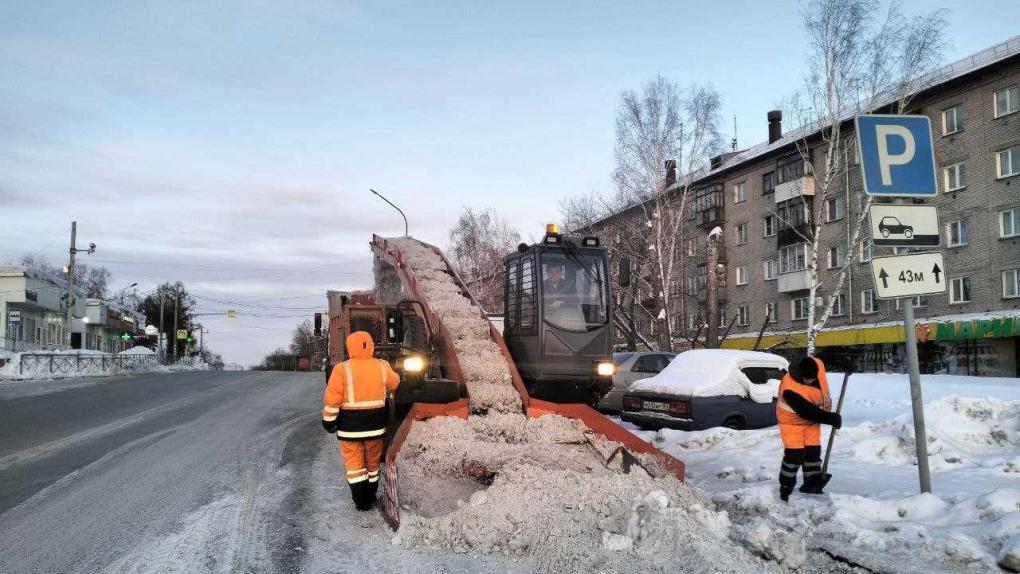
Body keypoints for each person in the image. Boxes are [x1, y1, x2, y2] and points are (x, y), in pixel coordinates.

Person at [321, 331, 400, 510]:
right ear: (370, 345)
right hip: (375, 427)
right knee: (373, 463)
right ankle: (371, 495)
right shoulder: (382, 365)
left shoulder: (342, 368)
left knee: (355, 465)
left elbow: (333, 399)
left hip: (349, 429)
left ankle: (361, 501)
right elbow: (395, 383)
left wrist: (328, 421)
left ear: (350, 347)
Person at [776, 356, 842, 501]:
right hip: (791, 422)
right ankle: (786, 486)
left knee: (813, 453)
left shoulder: (816, 365)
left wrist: (845, 363)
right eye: (807, 379)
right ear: (800, 374)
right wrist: (830, 418)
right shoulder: (789, 388)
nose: (810, 382)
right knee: (795, 456)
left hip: (811, 423)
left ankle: (811, 484)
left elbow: (828, 355)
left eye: (813, 378)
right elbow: (807, 411)